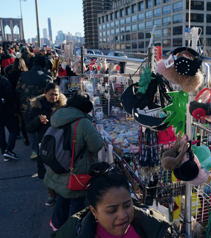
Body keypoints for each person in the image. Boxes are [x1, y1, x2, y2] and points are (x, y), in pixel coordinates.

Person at [50, 162, 170, 237]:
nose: (122, 215)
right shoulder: (73, 232)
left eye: (127, 205)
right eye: (112, 210)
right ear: (94, 211)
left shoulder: (154, 226)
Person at [44, 92, 104, 230]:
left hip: (58, 165)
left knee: (63, 195)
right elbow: (96, 146)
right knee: (77, 200)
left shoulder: (58, 115)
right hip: (75, 169)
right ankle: (73, 228)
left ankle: (56, 223)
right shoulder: (83, 122)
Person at [26, 83, 66, 206]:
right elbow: (29, 128)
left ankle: (62, 194)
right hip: (44, 144)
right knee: (47, 171)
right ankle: (51, 195)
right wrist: (38, 120)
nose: (54, 97)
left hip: (60, 143)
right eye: (51, 94)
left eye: (56, 94)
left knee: (61, 169)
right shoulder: (37, 107)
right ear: (45, 93)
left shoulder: (63, 106)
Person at [16, 55, 52, 159]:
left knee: (30, 128)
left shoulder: (23, 75)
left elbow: (17, 91)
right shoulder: (47, 78)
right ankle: (43, 149)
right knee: (42, 127)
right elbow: (50, 95)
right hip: (41, 108)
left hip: (25, 107)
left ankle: (34, 150)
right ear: (43, 65)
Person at [7, 58, 29, 145]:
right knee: (24, 118)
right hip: (24, 98)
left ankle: (18, 133)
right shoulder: (26, 74)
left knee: (17, 117)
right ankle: (26, 137)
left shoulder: (10, 75)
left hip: (13, 98)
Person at [0, 75, 19, 161]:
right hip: (6, 110)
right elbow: (11, 95)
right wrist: (11, 106)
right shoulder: (3, 80)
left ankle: (5, 152)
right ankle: (8, 150)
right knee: (14, 129)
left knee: (1, 134)